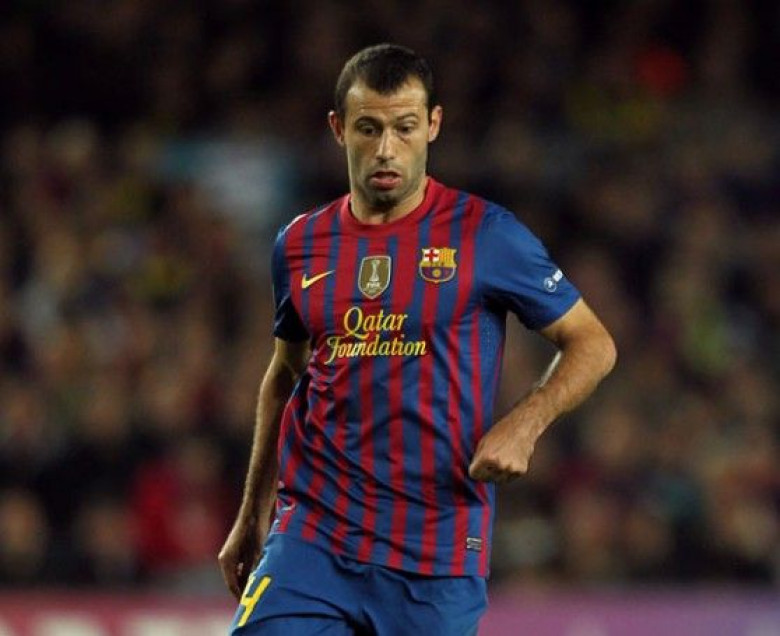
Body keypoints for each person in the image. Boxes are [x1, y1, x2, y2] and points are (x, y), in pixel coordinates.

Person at [218, 43, 616, 635]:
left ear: (433, 124)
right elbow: (285, 373)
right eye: (368, 128)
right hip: (312, 538)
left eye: (404, 127)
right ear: (338, 129)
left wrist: (525, 424)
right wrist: (252, 512)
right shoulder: (300, 244)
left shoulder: (486, 234)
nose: (386, 148)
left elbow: (593, 342)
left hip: (434, 550)